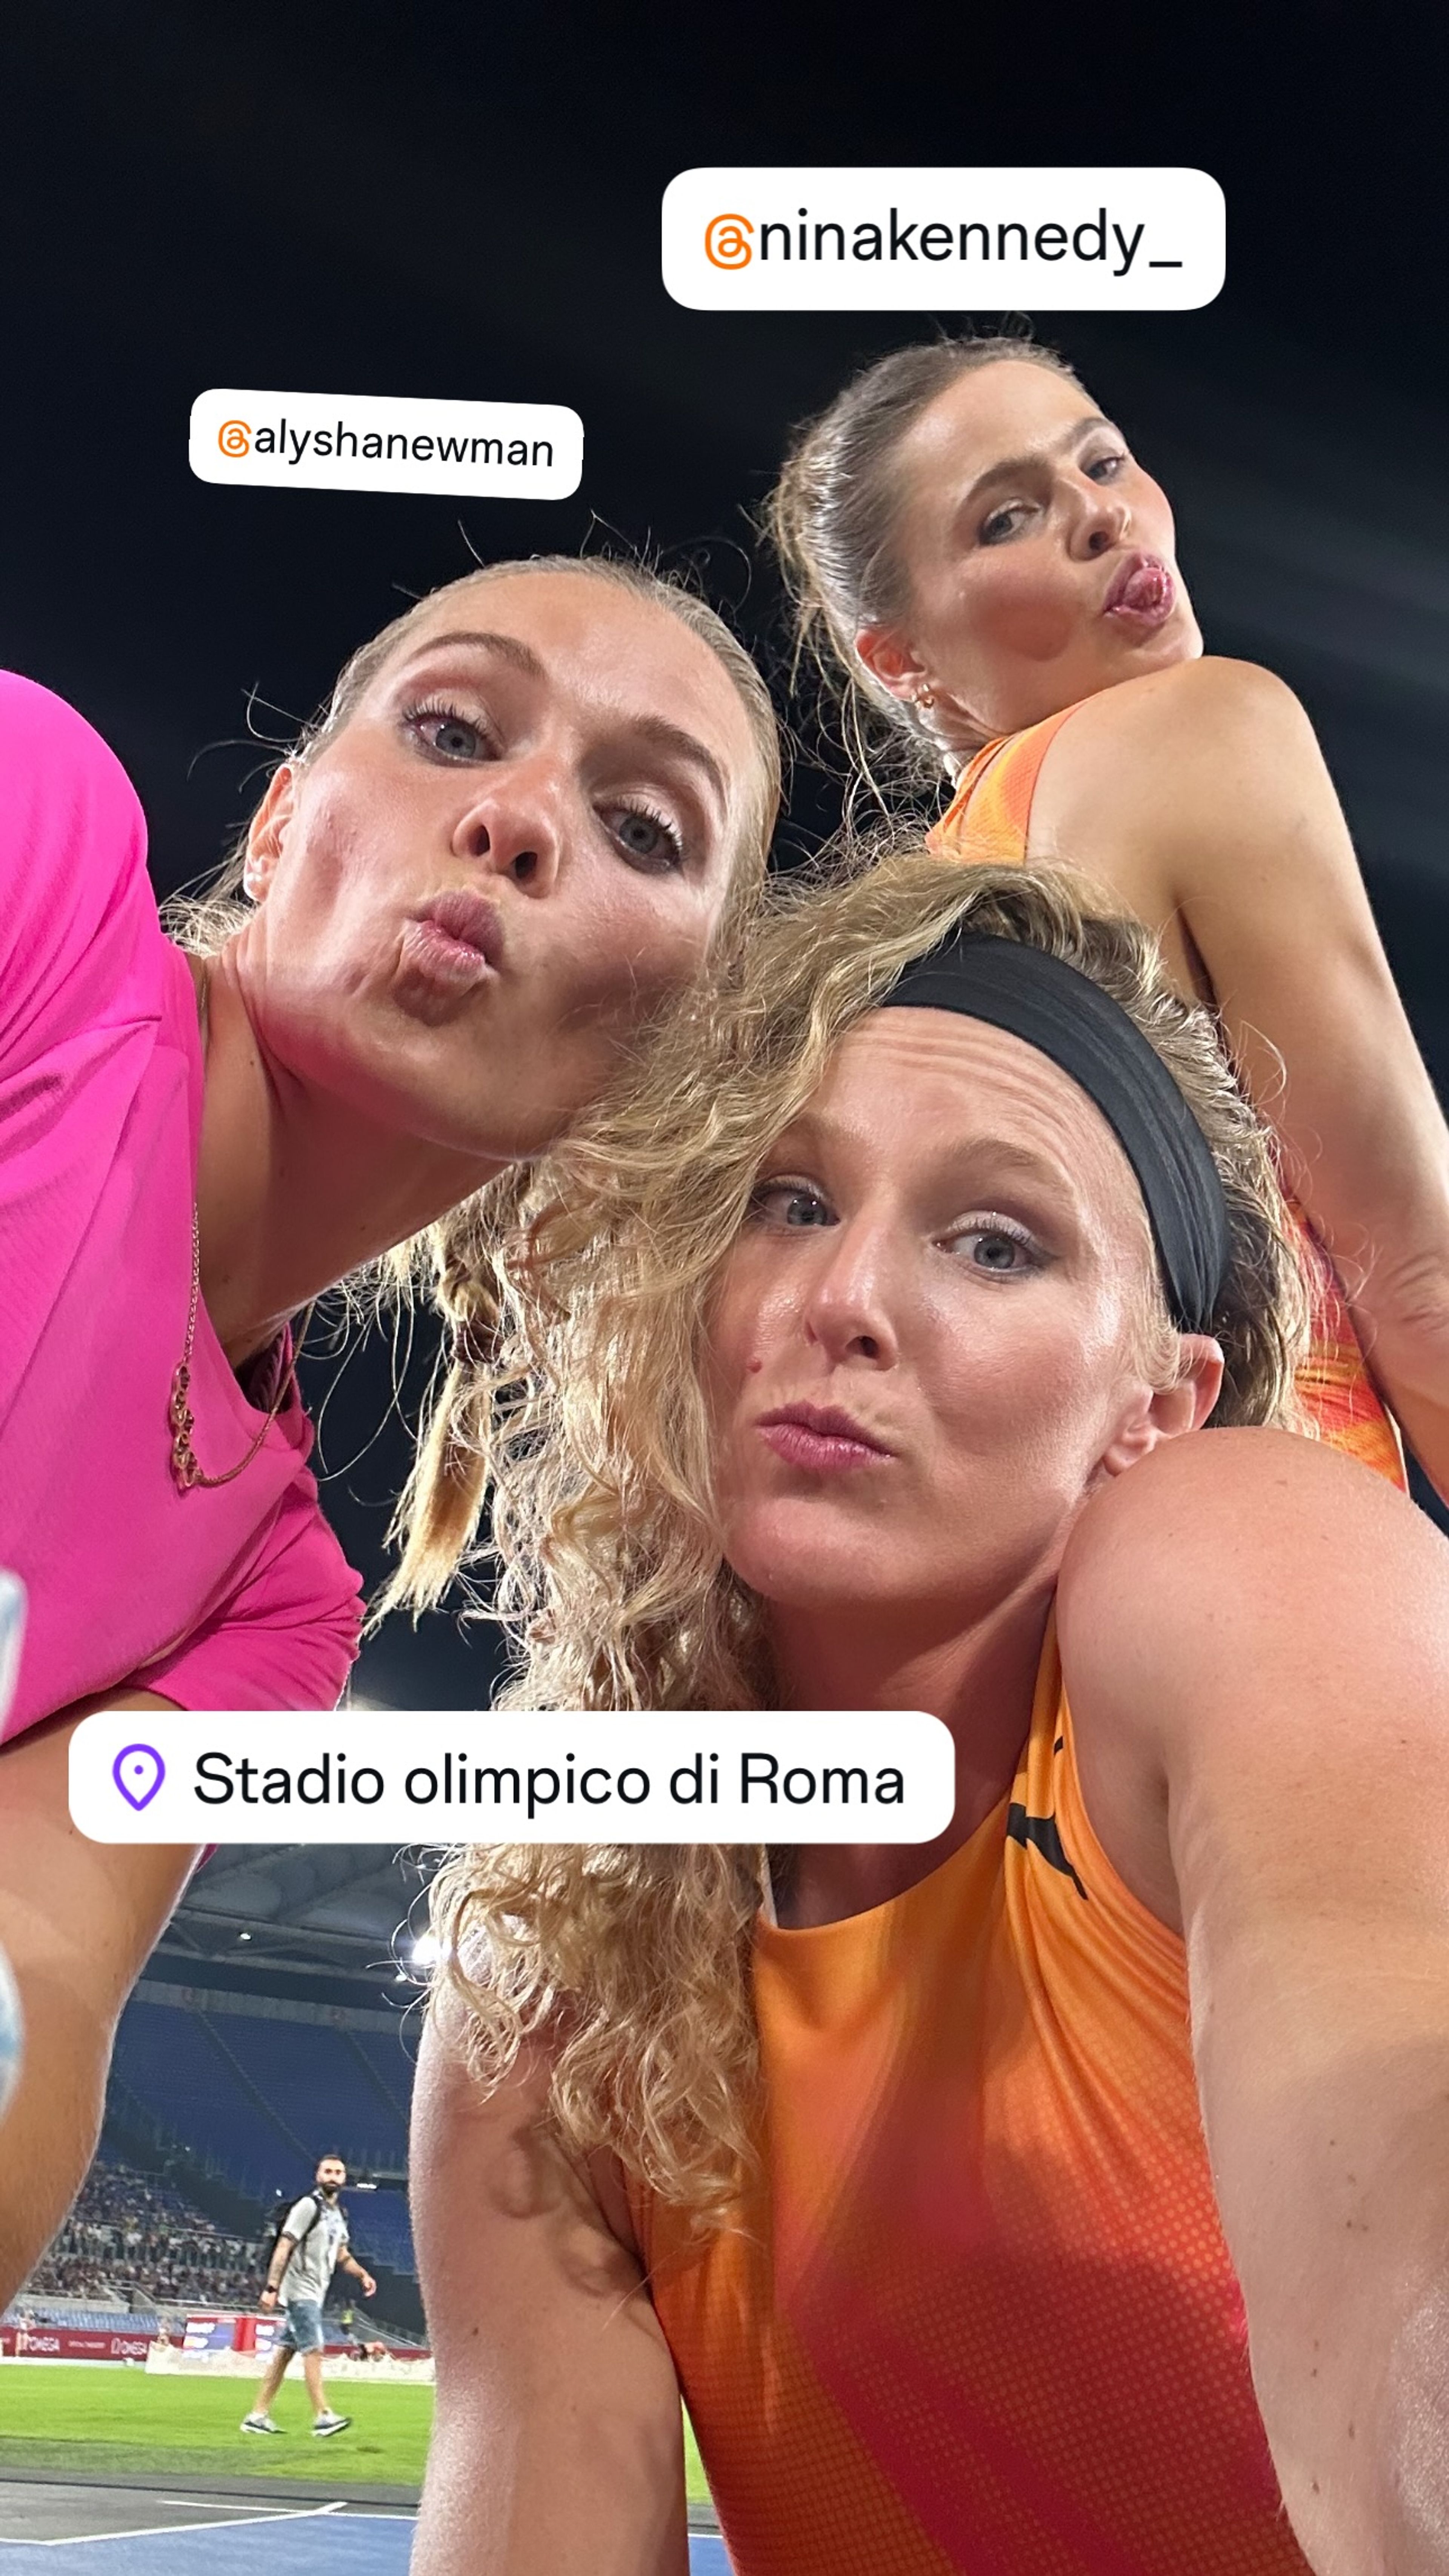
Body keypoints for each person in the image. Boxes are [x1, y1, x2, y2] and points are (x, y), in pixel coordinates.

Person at [410, 854, 1449, 2576]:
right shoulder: (548, 1993)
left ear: (1159, 1401)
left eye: (995, 1241)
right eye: (786, 1200)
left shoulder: (1243, 1543)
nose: (848, 1302)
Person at [0, 553, 780, 2309]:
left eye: (643, 826)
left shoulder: (271, 1606)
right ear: (279, 824)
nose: (511, 816)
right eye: (451, 730)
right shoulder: (32, 844)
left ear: (664, 1057)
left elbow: (37, 1987)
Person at [767, 334, 1449, 1496]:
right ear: (905, 662)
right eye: (1004, 519)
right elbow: (1419, 1271)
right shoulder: (1202, 727)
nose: (1098, 517)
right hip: (1282, 1565)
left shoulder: (901, 940)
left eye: (1102, 463)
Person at [243, 2154, 375, 2439]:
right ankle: (323, 2416)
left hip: (316, 2290)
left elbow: (341, 2254)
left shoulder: (339, 2216)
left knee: (284, 2354)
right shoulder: (307, 2206)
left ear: (344, 2179)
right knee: (314, 2350)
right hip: (300, 2290)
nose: (333, 2177)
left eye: (338, 2173)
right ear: (318, 2176)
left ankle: (257, 2415)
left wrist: (362, 2274)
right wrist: (271, 2287)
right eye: (327, 2171)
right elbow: (285, 2245)